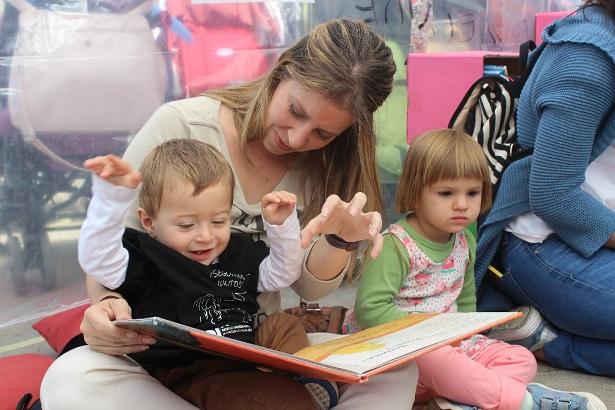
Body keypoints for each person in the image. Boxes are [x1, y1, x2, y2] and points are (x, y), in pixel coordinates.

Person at [40, 19, 418, 409]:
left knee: (398, 368)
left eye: (322, 134)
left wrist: (340, 239)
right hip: (160, 355)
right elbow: (112, 249)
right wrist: (103, 309)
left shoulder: (326, 165)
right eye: (295, 111)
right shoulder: (181, 126)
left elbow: (304, 286)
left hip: (255, 350)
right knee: (71, 380)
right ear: (281, 71)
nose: (296, 139)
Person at [343, 129, 607, 410]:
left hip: (446, 348)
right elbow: (370, 310)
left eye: (473, 192)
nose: (462, 204)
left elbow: (465, 299)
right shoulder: (395, 245)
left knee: (521, 360)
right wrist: (431, 333)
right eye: (446, 193)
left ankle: (460, 400)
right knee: (436, 358)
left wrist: (464, 336)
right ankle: (527, 402)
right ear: (414, 193)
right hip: (397, 354)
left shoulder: (464, 240)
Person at [76, 139, 340, 409]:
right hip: (193, 369)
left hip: (249, 349)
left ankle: (300, 376)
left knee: (283, 324)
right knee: (285, 401)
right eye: (187, 225)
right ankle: (294, 391)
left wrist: (282, 226)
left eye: (218, 221)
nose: (205, 236)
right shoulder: (146, 256)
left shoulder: (238, 251)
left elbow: (282, 274)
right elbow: (97, 260)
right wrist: (111, 199)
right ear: (149, 222)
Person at [475, 0, 615, 378]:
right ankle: (549, 342)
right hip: (542, 244)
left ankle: (547, 333)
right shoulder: (588, 59)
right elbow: (554, 195)